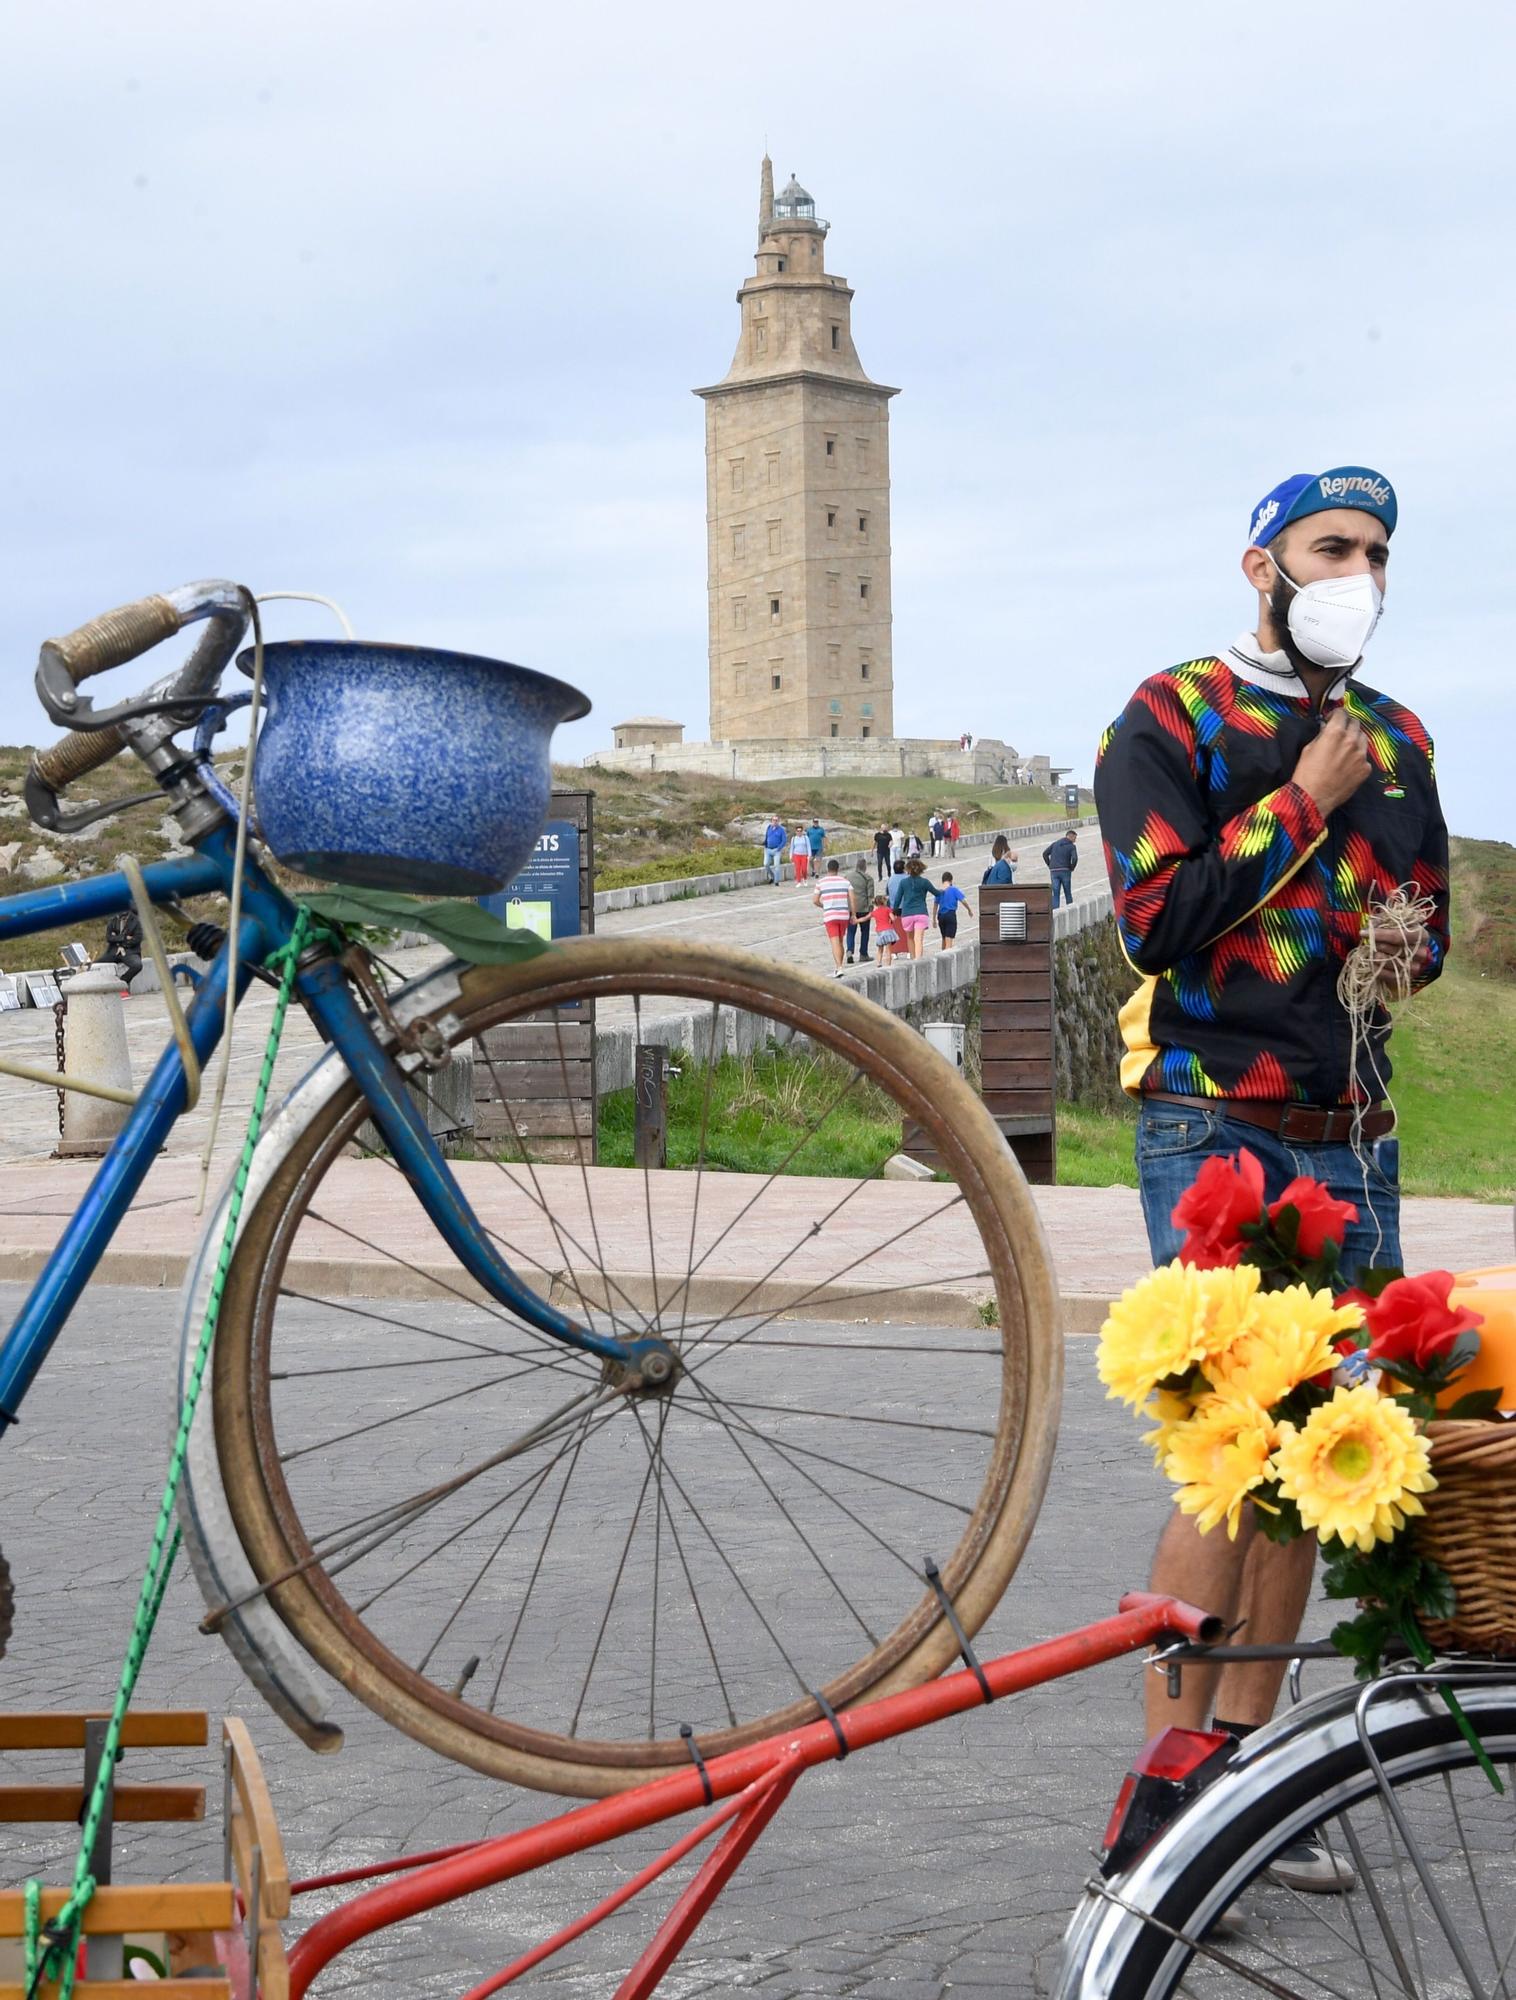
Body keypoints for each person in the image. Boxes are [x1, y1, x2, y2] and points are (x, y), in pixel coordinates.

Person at [1094, 464, 1449, 1892]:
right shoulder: (1170, 715)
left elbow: (1424, 935)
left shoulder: (1402, 735)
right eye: (1331, 547)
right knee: (1229, 1452)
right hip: (1211, 1121)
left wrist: (1393, 940)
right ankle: (1157, 1802)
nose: (1356, 571)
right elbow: (1156, 918)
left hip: (1352, 1129)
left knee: (1318, 1463)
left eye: (1375, 551)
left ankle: (1244, 1782)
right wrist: (1302, 802)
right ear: (1263, 566)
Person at [890, 856, 939, 961]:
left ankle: (913, 959)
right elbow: (937, 893)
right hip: (921, 913)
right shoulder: (925, 882)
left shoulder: (903, 883)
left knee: (910, 938)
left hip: (907, 914)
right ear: (921, 869)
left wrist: (894, 911)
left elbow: (897, 899)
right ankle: (918, 960)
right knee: (919, 939)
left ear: (907, 870)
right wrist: (945, 890)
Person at [812, 858, 855, 977]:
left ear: (827, 869)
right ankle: (839, 966)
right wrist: (854, 914)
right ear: (838, 869)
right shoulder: (845, 882)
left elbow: (815, 900)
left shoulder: (821, 882)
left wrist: (824, 905)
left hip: (830, 915)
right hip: (843, 915)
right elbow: (852, 898)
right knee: (840, 941)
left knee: (834, 941)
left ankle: (839, 967)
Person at [104, 908, 143, 989]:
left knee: (137, 965)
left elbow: (137, 939)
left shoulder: (136, 921)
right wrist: (124, 938)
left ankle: (122, 982)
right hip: (114, 951)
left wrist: (122, 943)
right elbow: (109, 938)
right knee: (95, 965)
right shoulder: (113, 919)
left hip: (129, 951)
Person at [845, 857, 873, 964]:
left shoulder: (847, 877)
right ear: (865, 867)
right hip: (863, 908)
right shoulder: (868, 878)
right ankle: (863, 954)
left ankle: (850, 950)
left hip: (850, 908)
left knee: (851, 931)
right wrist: (871, 910)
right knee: (865, 932)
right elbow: (870, 896)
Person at [1042, 828, 1079, 909]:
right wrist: (1072, 867)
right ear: (1070, 836)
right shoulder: (1071, 846)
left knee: (1055, 893)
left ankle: (1055, 911)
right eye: (1075, 838)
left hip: (1054, 871)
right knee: (1067, 892)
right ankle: (1070, 908)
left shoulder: (1055, 844)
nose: (1075, 840)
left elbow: (1045, 854)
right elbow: (1075, 858)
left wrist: (1050, 865)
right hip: (1065, 871)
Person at [935, 872, 972, 950]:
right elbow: (963, 901)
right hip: (950, 915)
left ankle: (942, 956)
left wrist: (933, 918)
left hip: (941, 916)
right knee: (949, 940)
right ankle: (947, 959)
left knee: (944, 938)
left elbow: (935, 905)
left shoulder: (939, 891)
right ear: (951, 881)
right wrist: (969, 910)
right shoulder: (954, 890)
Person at [870, 893, 899, 965]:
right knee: (888, 950)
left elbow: (866, 917)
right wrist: (894, 918)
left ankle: (878, 963)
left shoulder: (875, 912)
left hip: (880, 932)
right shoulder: (887, 909)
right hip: (888, 930)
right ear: (884, 902)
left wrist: (857, 920)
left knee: (880, 949)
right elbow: (892, 918)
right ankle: (888, 963)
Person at [762, 814, 787, 886]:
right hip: (768, 849)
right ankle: (772, 876)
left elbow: (784, 840)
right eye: (773, 820)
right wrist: (765, 844)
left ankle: (776, 881)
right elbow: (767, 836)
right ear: (771, 821)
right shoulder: (769, 827)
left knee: (776, 865)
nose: (775, 822)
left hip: (776, 850)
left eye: (776, 820)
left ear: (778, 821)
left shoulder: (781, 830)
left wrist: (779, 848)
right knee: (766, 864)